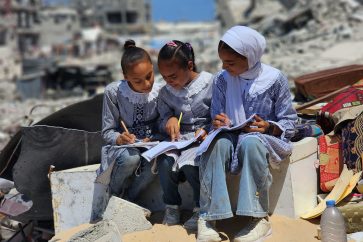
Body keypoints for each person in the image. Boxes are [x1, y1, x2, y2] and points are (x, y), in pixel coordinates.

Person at [196, 26, 297, 242]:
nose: (224, 67)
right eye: (222, 61)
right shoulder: (222, 80)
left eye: (230, 63)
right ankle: (207, 217)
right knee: (218, 144)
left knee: (251, 143)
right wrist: (219, 121)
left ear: (250, 57)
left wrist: (269, 126)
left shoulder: (275, 79)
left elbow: (289, 120)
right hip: (231, 136)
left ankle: (258, 218)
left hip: (262, 139)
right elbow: (216, 114)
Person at [157, 40, 213, 231]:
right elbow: (162, 116)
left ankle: (199, 207)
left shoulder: (210, 83)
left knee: (191, 165)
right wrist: (169, 120)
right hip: (178, 140)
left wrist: (207, 129)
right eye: (164, 77)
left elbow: (220, 114)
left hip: (203, 137)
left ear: (189, 66)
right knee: (165, 162)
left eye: (172, 76)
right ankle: (172, 206)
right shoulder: (165, 92)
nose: (168, 81)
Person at [96, 40, 160, 202]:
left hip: (151, 145)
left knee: (155, 160)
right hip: (123, 148)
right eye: (138, 81)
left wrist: (154, 137)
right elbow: (107, 131)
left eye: (149, 77)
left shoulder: (161, 91)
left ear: (152, 68)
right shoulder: (114, 92)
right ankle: (113, 195)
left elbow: (163, 123)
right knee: (131, 158)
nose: (146, 84)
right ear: (126, 77)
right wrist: (119, 138)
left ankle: (130, 200)